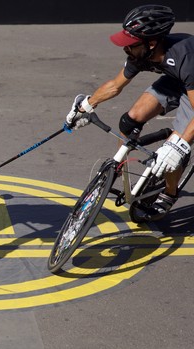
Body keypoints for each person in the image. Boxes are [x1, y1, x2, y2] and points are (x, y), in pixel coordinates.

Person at [65, 4, 194, 221]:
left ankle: (169, 194)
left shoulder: (185, 58)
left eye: (130, 44)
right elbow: (115, 86)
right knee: (130, 119)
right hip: (175, 80)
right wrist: (85, 106)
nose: (125, 49)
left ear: (151, 43)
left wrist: (179, 145)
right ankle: (119, 165)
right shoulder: (140, 55)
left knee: (171, 152)